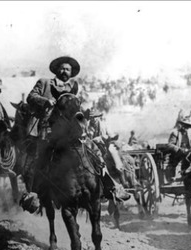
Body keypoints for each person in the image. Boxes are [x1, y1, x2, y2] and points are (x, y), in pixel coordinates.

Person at [24, 56, 130, 205]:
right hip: (48, 129)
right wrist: (45, 101)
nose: (64, 71)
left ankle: (111, 186)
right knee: (42, 159)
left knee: (94, 152)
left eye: (68, 69)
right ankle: (34, 195)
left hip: (70, 131)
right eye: (62, 68)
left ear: (71, 72)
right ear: (56, 69)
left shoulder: (73, 87)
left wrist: (86, 113)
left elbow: (76, 107)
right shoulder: (45, 83)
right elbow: (31, 97)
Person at [87, 109, 127, 186]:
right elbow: (88, 138)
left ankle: (120, 170)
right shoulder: (88, 126)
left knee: (113, 151)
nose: (93, 119)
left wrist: (101, 137)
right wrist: (93, 140)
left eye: (95, 117)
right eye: (92, 117)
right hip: (93, 148)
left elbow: (111, 135)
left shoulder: (104, 124)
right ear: (90, 118)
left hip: (104, 145)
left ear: (98, 117)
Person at [163, 116, 191, 184]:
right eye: (185, 126)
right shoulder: (175, 133)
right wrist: (180, 149)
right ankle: (176, 176)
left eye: (187, 127)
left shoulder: (189, 135)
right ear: (181, 125)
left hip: (187, 154)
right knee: (184, 156)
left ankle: (190, 176)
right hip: (177, 155)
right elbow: (169, 145)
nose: (186, 128)